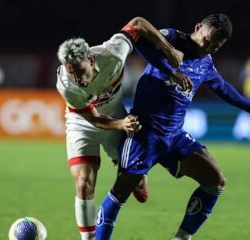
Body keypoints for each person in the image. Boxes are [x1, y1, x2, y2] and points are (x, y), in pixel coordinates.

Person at [95, 13, 250, 240]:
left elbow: (222, 87)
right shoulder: (172, 38)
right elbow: (140, 43)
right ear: (198, 27)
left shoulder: (206, 64)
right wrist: (172, 72)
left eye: (215, 47)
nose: (208, 48)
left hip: (174, 136)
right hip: (144, 133)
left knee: (215, 180)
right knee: (120, 193)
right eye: (207, 40)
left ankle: (181, 237)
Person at [56, 17, 183, 240]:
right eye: (71, 72)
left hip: (115, 115)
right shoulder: (66, 84)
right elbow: (94, 120)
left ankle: (136, 179)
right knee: (84, 181)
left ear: (91, 60)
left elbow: (138, 23)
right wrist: (121, 124)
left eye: (80, 71)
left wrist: (169, 48)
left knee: (135, 180)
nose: (77, 78)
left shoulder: (113, 52)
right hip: (83, 124)